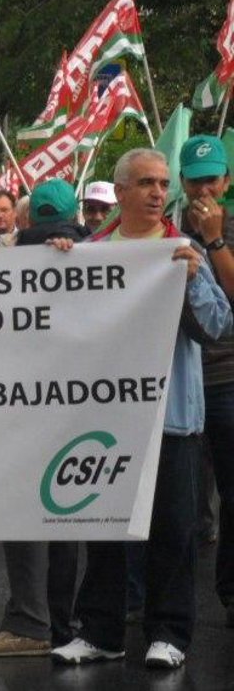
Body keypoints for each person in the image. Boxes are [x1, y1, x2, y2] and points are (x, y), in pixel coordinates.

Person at [49, 148, 231, 669]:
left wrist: (193, 281)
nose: (157, 192)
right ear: (120, 191)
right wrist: (57, 263)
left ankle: (169, 633)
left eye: (163, 183)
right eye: (146, 182)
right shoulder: (89, 251)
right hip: (105, 417)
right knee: (104, 528)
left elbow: (218, 325)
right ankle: (101, 632)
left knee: (173, 529)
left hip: (171, 418)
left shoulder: (183, 250)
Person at [0, 179, 84, 657]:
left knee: (25, 511)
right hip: (75, 405)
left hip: (21, 406)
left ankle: (30, 624)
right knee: (64, 514)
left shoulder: (9, 256)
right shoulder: (99, 254)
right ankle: (59, 620)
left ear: (26, 219)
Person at [175, 135, 234, 629]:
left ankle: (230, 592)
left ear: (226, 181)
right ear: (181, 181)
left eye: (211, 179)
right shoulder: (163, 227)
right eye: (195, 181)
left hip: (227, 377)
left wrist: (214, 240)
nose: (203, 190)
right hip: (179, 382)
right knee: (179, 501)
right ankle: (158, 603)